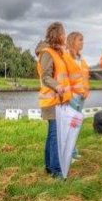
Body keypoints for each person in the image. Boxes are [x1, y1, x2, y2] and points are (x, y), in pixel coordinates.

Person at [36, 22, 72, 179]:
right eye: (64, 33)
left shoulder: (58, 53)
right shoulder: (47, 53)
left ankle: (50, 167)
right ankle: (57, 171)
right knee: (55, 136)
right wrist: (57, 87)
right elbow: (46, 77)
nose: (65, 36)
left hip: (59, 101)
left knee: (53, 135)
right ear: (58, 35)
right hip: (52, 101)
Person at [65, 31, 90, 160]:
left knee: (75, 126)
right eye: (80, 40)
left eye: (82, 40)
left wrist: (86, 91)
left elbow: (85, 78)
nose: (82, 42)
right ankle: (69, 154)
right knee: (69, 125)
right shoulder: (66, 58)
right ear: (72, 41)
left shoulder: (81, 60)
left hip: (81, 97)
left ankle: (73, 152)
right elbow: (64, 78)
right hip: (72, 97)